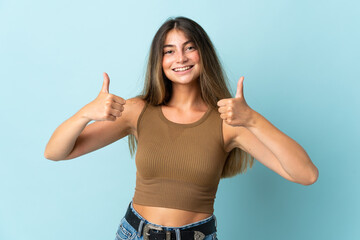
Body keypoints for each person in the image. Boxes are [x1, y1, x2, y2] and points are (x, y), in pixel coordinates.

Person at [44, 16, 319, 240]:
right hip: (135, 233)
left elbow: (306, 174)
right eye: (169, 51)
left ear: (203, 53)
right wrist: (85, 114)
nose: (180, 58)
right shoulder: (138, 110)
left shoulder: (229, 121)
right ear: (159, 61)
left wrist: (252, 120)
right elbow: (56, 152)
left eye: (189, 47)